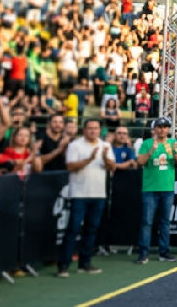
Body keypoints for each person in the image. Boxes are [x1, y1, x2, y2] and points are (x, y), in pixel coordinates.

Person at [57, 119, 115, 277]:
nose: (93, 131)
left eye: (96, 128)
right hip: (79, 194)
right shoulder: (75, 145)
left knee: (91, 230)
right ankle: (63, 265)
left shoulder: (105, 146)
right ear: (84, 130)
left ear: (99, 130)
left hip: (98, 194)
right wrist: (90, 159)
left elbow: (112, 167)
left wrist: (104, 158)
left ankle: (85, 263)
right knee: (73, 229)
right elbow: (70, 167)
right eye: (90, 128)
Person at [136, 117, 177, 264]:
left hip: (167, 188)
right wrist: (151, 151)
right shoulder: (147, 143)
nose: (162, 129)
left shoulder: (173, 143)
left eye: (165, 127)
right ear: (154, 129)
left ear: (168, 129)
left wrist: (174, 152)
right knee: (146, 222)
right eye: (159, 127)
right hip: (150, 189)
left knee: (165, 222)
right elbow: (140, 162)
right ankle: (143, 253)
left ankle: (164, 252)